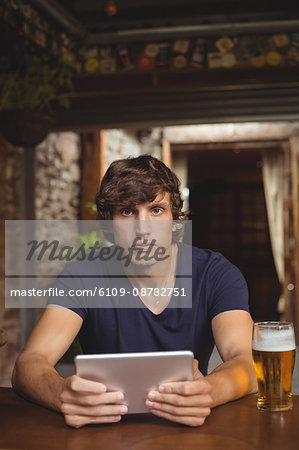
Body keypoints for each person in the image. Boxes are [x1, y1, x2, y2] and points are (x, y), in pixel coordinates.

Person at [12, 155, 257, 428]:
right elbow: (29, 363)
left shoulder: (215, 274)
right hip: (102, 429)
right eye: (127, 212)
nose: (143, 229)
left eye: (156, 210)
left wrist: (209, 392)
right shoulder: (83, 276)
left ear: (175, 219)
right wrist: (60, 394)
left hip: (188, 428)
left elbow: (246, 361)